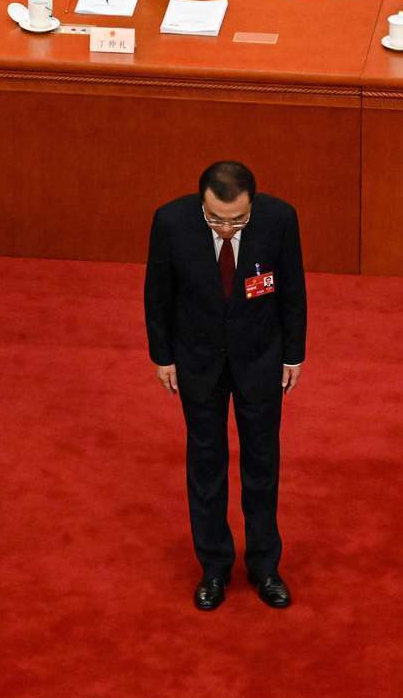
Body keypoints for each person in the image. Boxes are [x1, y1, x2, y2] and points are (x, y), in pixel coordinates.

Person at [144, 162, 307, 611]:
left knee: (262, 464)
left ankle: (264, 566)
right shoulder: (171, 221)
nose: (227, 228)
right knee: (206, 464)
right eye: (216, 219)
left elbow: (292, 288)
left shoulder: (279, 219)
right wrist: (163, 356)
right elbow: (158, 291)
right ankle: (214, 566)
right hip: (198, 362)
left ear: (252, 204)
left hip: (260, 361)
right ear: (202, 203)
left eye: (237, 219)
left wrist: (294, 354)